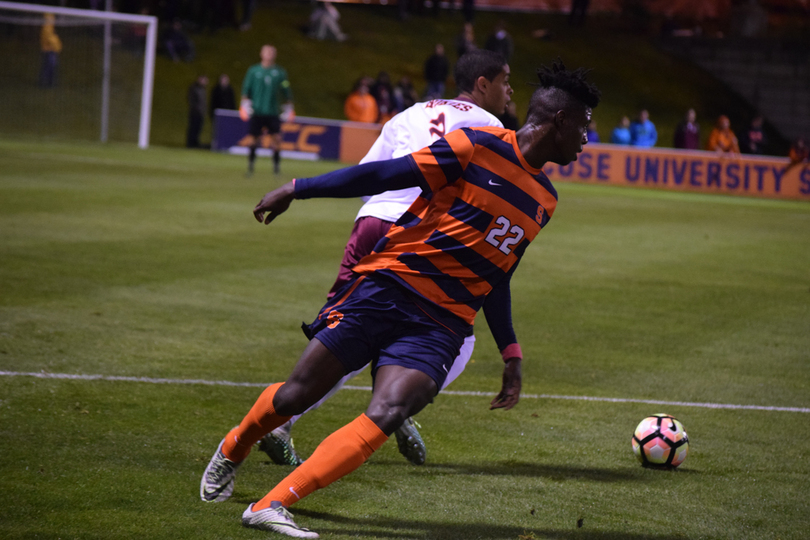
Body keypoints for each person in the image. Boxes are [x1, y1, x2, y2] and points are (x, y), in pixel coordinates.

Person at [200, 59, 601, 538]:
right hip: (387, 287)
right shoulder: (477, 146)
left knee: (390, 411)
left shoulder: (545, 199)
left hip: (442, 324)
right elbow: (389, 174)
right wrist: (298, 188)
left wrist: (510, 349)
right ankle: (234, 446)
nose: (586, 138)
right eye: (584, 125)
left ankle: (272, 504)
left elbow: (499, 272)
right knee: (295, 394)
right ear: (560, 120)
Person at [258, 50, 514, 468]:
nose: (511, 92)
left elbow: (369, 173)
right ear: (483, 84)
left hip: (373, 222)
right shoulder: (492, 127)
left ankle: (283, 422)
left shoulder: (409, 113)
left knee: (344, 332)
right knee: (457, 337)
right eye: (506, 81)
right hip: (426, 236)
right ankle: (391, 411)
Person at [241, 45, 294, 175]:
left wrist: (289, 105)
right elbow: (246, 89)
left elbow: (285, 87)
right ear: (261, 54)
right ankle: (250, 167)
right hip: (257, 111)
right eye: (267, 52)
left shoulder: (280, 72)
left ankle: (276, 169)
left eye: (271, 52)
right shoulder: (253, 71)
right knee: (253, 139)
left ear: (275, 55)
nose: (269, 54)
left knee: (276, 139)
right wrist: (244, 104)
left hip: (273, 112)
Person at [39, 13, 61, 88]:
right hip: (50, 50)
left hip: (47, 50)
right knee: (50, 67)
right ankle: (47, 83)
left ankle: (47, 83)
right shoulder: (47, 27)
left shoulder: (49, 26)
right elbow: (50, 39)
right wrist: (57, 46)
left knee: (47, 67)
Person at [186, 74, 208, 148]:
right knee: (193, 128)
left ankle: (195, 142)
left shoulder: (203, 89)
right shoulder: (194, 88)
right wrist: (196, 109)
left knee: (198, 128)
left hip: (201, 113)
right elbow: (191, 100)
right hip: (195, 113)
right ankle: (190, 143)